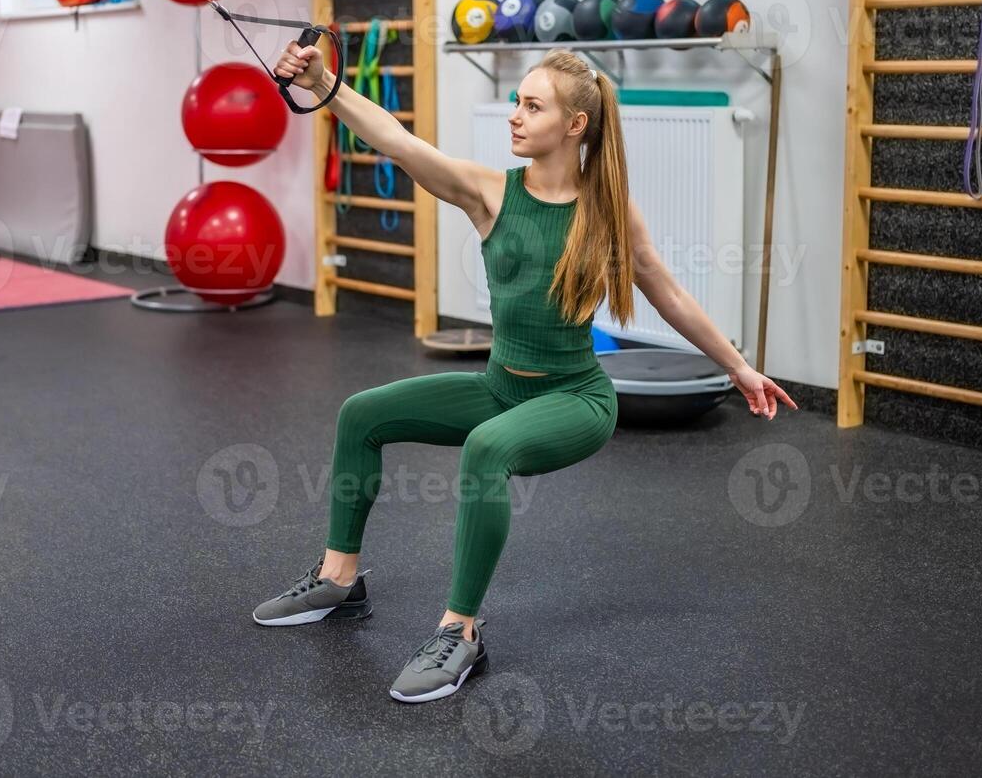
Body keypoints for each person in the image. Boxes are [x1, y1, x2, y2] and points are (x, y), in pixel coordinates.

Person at [252, 44, 798, 704]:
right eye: (516, 100)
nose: (514, 115)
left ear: (574, 126)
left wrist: (739, 367)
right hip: (498, 387)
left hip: (577, 399)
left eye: (531, 106)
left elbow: (668, 294)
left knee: (488, 450)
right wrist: (324, 84)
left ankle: (461, 632)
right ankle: (340, 579)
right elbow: (397, 141)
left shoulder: (608, 212)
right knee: (362, 413)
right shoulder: (489, 192)